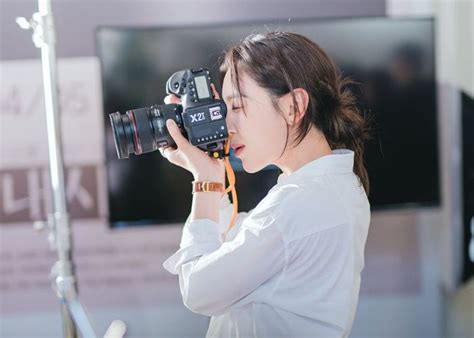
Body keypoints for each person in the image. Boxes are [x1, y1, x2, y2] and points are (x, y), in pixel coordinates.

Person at [161, 31, 371, 338]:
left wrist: (206, 185)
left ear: (294, 106)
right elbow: (235, 251)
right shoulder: (328, 188)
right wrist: (211, 179)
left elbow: (199, 290)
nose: (228, 126)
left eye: (236, 107)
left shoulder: (300, 204)